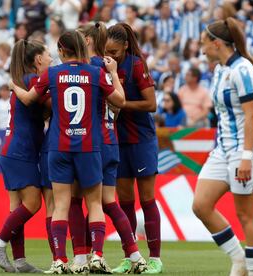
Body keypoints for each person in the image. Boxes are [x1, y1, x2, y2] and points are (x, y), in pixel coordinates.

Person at [10, 30, 125, 274]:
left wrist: (13, 86)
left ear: (62, 51)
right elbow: (120, 101)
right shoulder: (95, 73)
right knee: (94, 203)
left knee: (60, 205)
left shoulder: (52, 73)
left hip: (60, 147)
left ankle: (60, 260)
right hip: (88, 147)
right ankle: (98, 256)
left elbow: (30, 99)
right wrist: (113, 74)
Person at [66, 22, 147, 274]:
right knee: (109, 203)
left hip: (89, 142)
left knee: (76, 200)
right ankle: (134, 255)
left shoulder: (83, 68)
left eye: (80, 38)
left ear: (88, 41)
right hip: (110, 138)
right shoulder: (108, 66)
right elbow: (118, 104)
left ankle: (83, 258)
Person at [193, 18, 253, 276]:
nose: (202, 49)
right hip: (223, 149)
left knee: (246, 215)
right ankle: (239, 260)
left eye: (204, 43)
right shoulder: (220, 69)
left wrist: (246, 157)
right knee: (201, 205)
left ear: (217, 43)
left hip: (245, 150)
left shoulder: (242, 70)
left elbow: (250, 116)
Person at [0, 39, 52, 273]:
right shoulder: (32, 80)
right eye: (49, 56)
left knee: (17, 209)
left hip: (11, 150)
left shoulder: (22, 80)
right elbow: (49, 104)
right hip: (20, 151)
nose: (52, 61)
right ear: (38, 60)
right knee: (32, 204)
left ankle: (20, 261)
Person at [105, 22, 163, 274]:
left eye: (115, 52)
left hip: (141, 139)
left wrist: (120, 104)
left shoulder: (136, 64)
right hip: (118, 140)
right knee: (125, 202)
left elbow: (152, 104)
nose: (111, 56)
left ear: (126, 47)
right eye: (107, 51)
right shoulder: (103, 65)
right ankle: (130, 256)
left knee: (147, 199)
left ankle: (156, 259)